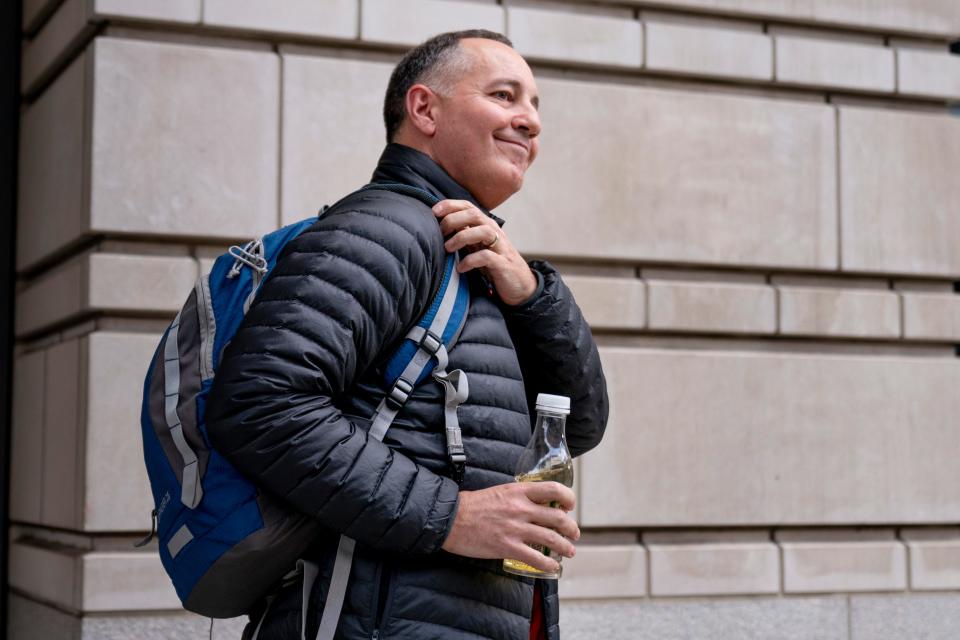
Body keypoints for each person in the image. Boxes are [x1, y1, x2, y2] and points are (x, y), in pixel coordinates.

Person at [206, 29, 608, 640]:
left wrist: (531, 291)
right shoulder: (388, 229)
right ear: (424, 109)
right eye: (505, 96)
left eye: (534, 105)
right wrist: (454, 516)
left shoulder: (473, 257)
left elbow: (577, 424)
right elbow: (259, 404)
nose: (530, 122)